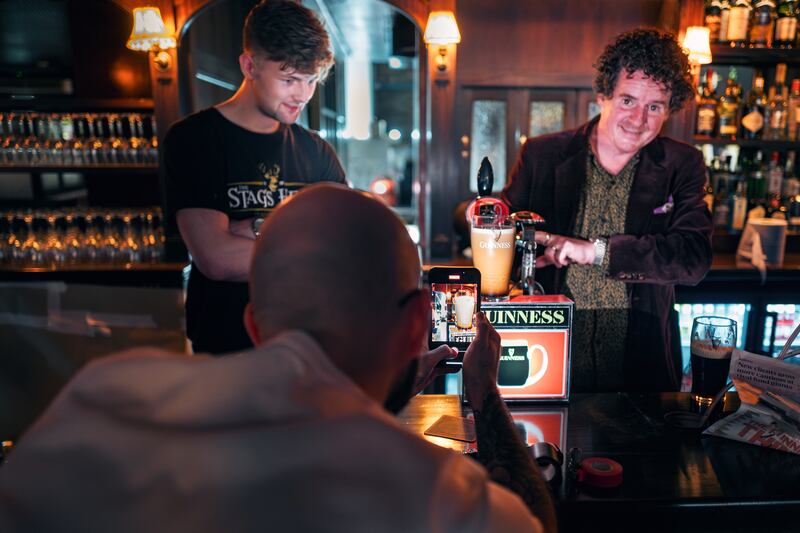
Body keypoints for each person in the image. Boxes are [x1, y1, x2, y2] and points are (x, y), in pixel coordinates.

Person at [0, 185, 556, 533]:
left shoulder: (101, 396)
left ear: (253, 327)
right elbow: (534, 523)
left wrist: (392, 384)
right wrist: (484, 398)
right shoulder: (438, 498)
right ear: (415, 326)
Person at [502, 28, 712, 393]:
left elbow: (692, 258)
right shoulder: (541, 154)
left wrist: (596, 250)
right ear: (603, 95)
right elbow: (504, 229)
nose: (639, 119)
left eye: (655, 107)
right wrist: (492, 221)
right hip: (547, 347)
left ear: (669, 108)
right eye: (628, 100)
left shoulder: (684, 164)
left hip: (641, 354)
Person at [164, 0, 346, 355]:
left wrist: (249, 229)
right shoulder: (195, 140)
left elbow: (342, 248)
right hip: (224, 347)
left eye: (310, 80)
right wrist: (300, 234)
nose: (303, 95)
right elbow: (216, 259)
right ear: (250, 66)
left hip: (307, 346)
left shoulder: (317, 151)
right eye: (289, 79)